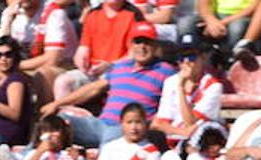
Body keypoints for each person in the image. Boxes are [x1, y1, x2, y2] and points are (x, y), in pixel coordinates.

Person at [40, 21, 173, 149]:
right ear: (131, 45)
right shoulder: (120, 66)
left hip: (126, 128)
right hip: (100, 124)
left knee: (112, 140)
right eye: (138, 42)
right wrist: (56, 104)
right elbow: (93, 88)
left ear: (155, 46)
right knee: (55, 123)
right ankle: (29, 158)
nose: (142, 47)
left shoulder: (165, 70)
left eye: (147, 43)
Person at [57, 0, 146, 99]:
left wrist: (110, 65)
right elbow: (83, 49)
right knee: (62, 82)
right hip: (92, 71)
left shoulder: (134, 15)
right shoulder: (93, 14)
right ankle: (65, 113)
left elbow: (134, 55)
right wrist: (81, 62)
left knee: (102, 85)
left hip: (119, 72)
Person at [152, 34, 223, 152]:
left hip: (196, 142)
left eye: (191, 57)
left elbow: (190, 122)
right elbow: (159, 123)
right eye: (182, 57)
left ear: (203, 57)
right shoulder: (170, 81)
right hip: (171, 138)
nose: (186, 62)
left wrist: (180, 88)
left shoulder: (213, 86)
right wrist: (181, 132)